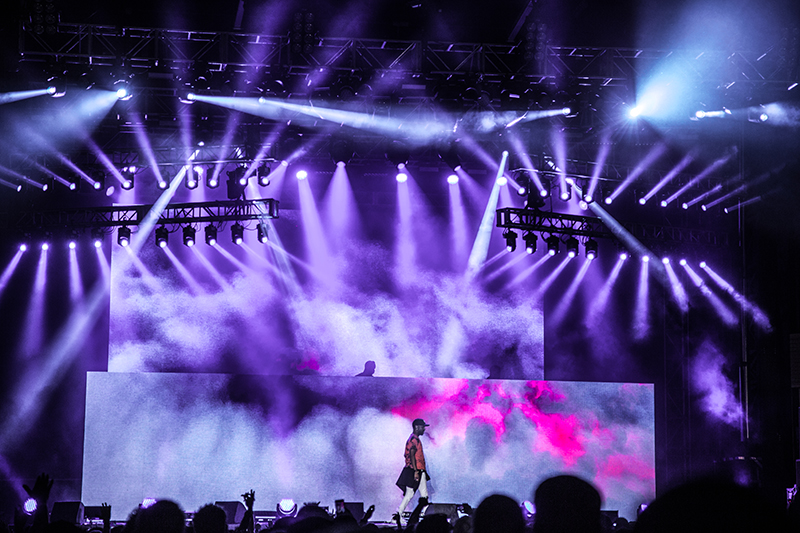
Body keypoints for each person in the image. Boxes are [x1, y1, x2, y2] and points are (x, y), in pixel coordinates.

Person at [395, 418, 431, 521]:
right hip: (416, 471)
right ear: (417, 427)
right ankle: (399, 515)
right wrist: (415, 471)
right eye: (422, 427)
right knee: (413, 494)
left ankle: (401, 514)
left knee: (421, 495)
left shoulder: (414, 439)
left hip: (419, 471)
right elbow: (411, 455)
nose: (424, 429)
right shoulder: (414, 440)